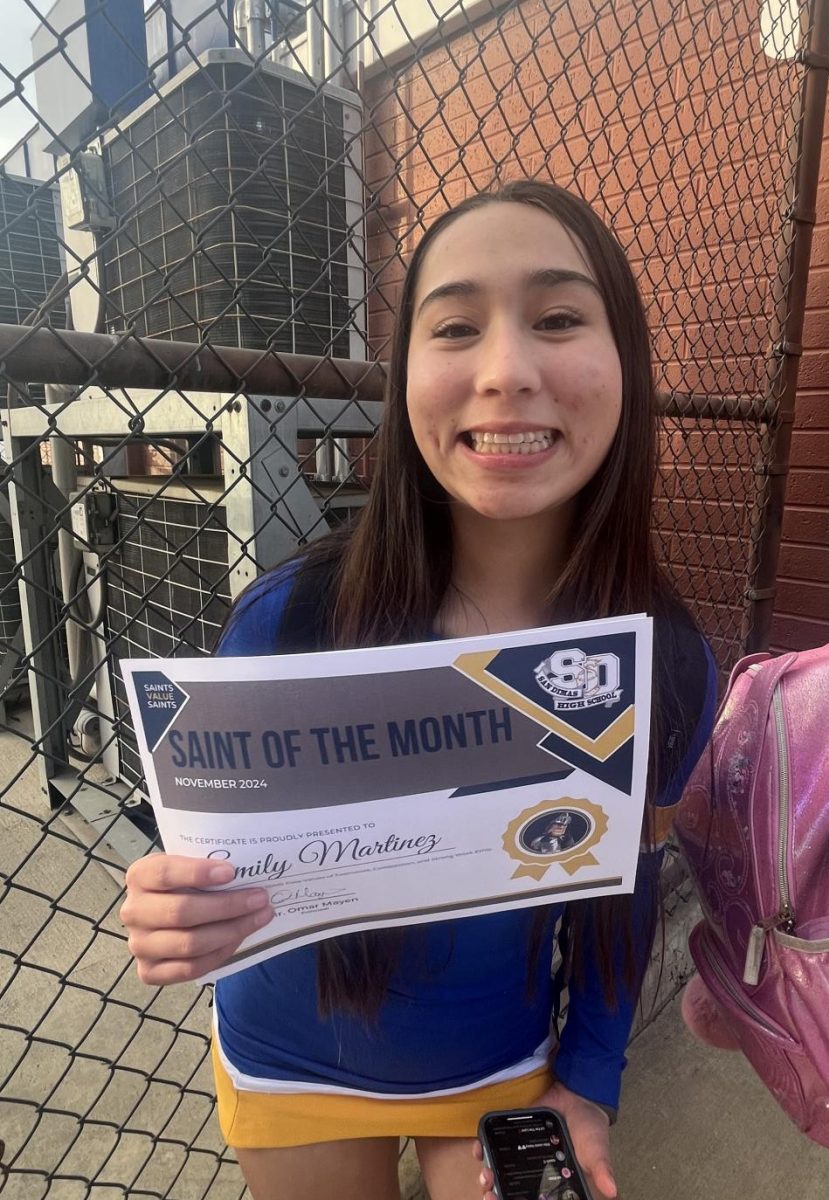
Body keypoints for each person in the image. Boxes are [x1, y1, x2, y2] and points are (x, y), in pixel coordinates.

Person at [120, 180, 717, 1200]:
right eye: (454, 327)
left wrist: (589, 1083)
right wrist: (174, 905)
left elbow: (625, 892)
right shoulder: (286, 621)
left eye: (559, 318)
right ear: (404, 379)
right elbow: (213, 867)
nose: (505, 371)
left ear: (626, 364)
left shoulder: (663, 661)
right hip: (287, 1060)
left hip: (498, 1065)